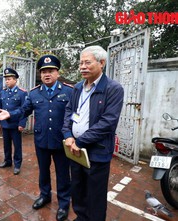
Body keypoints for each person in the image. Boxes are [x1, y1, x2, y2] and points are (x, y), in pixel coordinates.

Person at [0, 55, 72, 221]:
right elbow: (24, 110)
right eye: (43, 71)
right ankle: (45, 196)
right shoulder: (35, 93)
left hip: (62, 141)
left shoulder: (69, 91)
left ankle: (64, 204)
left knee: (63, 174)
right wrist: (10, 113)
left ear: (57, 73)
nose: (47, 74)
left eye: (50, 71)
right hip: (42, 140)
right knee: (43, 171)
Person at [62, 45, 124, 221]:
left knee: (95, 195)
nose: (82, 66)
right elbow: (68, 112)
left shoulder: (113, 88)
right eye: (80, 63)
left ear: (101, 63)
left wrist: (79, 142)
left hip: (96, 151)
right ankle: (81, 217)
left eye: (87, 62)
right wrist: (67, 135)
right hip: (75, 150)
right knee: (78, 189)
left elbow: (108, 123)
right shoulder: (77, 88)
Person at [0, 68, 28, 175]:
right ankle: (7, 161)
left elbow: (24, 110)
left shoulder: (22, 93)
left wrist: (22, 123)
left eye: (9, 79)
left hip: (15, 125)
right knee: (6, 145)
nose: (7, 81)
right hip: (5, 124)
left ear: (15, 80)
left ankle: (17, 165)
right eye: (6, 79)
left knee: (17, 145)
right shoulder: (3, 92)